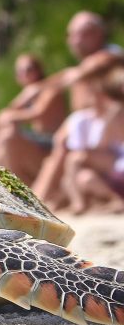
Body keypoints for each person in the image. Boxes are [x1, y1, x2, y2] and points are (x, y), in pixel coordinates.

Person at [31, 11, 123, 205]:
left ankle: (38, 200)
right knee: (61, 147)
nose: (73, 41)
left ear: (97, 33)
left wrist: (35, 90)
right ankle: (43, 196)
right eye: (70, 35)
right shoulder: (85, 66)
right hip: (96, 128)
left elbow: (76, 75)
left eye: (78, 34)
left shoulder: (110, 55)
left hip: (111, 133)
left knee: (64, 142)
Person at [0, 55, 66, 184]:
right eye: (20, 72)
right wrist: (23, 98)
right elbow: (4, 115)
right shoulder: (28, 93)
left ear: (39, 70)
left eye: (29, 69)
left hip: (50, 141)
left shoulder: (50, 89)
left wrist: (11, 116)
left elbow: (37, 113)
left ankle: (16, 186)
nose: (25, 74)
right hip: (36, 139)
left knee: (8, 136)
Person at [61, 65, 124, 214]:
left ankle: (81, 203)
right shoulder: (106, 115)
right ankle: (109, 200)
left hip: (114, 165)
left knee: (76, 161)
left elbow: (101, 145)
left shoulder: (115, 113)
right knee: (83, 177)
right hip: (110, 168)